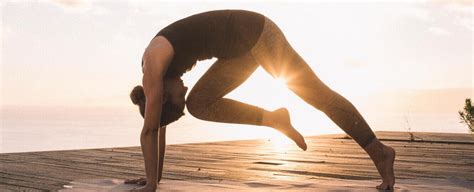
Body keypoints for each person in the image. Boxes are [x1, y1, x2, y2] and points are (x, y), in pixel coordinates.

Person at [125, 10, 396, 191]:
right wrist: (154, 179)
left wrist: (150, 188)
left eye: (178, 96)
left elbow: (149, 129)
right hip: (239, 50)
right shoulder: (161, 80)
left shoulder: (153, 65)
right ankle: (274, 118)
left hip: (256, 33)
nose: (184, 90)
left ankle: (379, 151)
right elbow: (158, 127)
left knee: (315, 93)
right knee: (199, 103)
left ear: (160, 96)